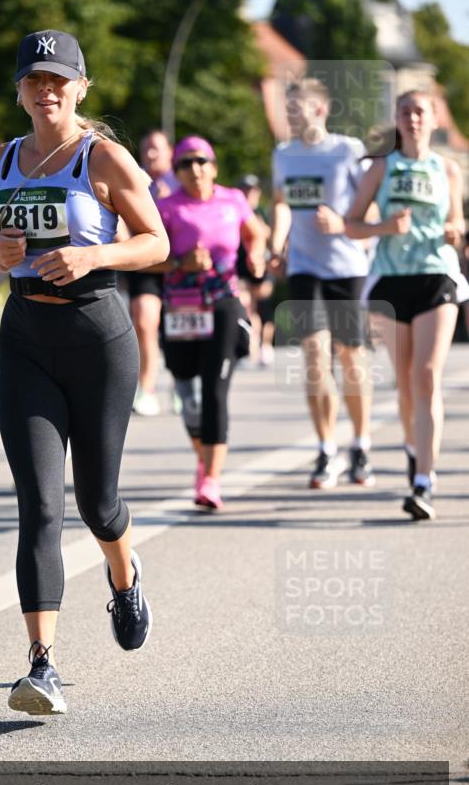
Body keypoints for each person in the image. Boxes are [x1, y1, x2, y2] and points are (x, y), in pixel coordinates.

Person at [0, 29, 168, 715]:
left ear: (80, 88)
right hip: (25, 336)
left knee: (97, 503)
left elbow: (157, 242)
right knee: (39, 505)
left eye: (59, 78)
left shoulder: (103, 156)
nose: (46, 88)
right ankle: (40, 664)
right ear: (21, 90)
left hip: (97, 337)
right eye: (34, 78)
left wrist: (93, 257)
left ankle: (123, 574)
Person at [345, 89, 466, 520]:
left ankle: (423, 481)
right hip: (392, 282)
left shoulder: (448, 169)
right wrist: (383, 226)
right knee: (406, 383)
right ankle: (415, 450)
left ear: (433, 119)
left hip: (436, 276)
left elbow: (456, 221)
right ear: (397, 119)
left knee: (427, 376)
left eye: (420, 111)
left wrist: (456, 229)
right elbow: (351, 225)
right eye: (406, 111)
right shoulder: (381, 168)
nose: (413, 118)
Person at [271, 79, 376, 489]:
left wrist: (343, 224)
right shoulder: (283, 154)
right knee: (315, 359)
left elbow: (370, 206)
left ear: (320, 110)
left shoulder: (346, 151)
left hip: (347, 266)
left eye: (297, 108)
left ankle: (362, 443)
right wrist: (278, 243)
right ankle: (326, 449)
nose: (291, 115)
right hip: (303, 267)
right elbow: (280, 201)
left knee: (351, 359)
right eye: (288, 108)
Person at [153, 136, 267, 510]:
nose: (195, 169)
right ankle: (204, 463)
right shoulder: (165, 206)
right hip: (181, 309)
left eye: (201, 162)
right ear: (177, 171)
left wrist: (256, 257)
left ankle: (211, 479)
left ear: (213, 167)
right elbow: (144, 256)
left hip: (222, 304)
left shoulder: (232, 200)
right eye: (185, 164)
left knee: (215, 392)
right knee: (188, 398)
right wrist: (178, 265)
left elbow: (255, 232)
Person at [128, 130, 179, 416]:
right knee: (145, 321)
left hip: (179, 263)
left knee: (179, 329)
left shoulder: (182, 180)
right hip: (146, 262)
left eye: (156, 148)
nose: (150, 154)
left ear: (170, 151)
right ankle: (146, 388)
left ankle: (181, 381)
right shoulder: (134, 180)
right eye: (145, 148)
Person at [236, 174, 275, 367]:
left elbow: (270, 234)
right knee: (246, 306)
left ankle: (265, 346)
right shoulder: (234, 212)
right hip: (241, 265)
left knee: (264, 308)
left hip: (261, 265)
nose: (248, 194)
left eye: (251, 190)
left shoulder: (261, 212)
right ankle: (250, 346)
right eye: (245, 190)